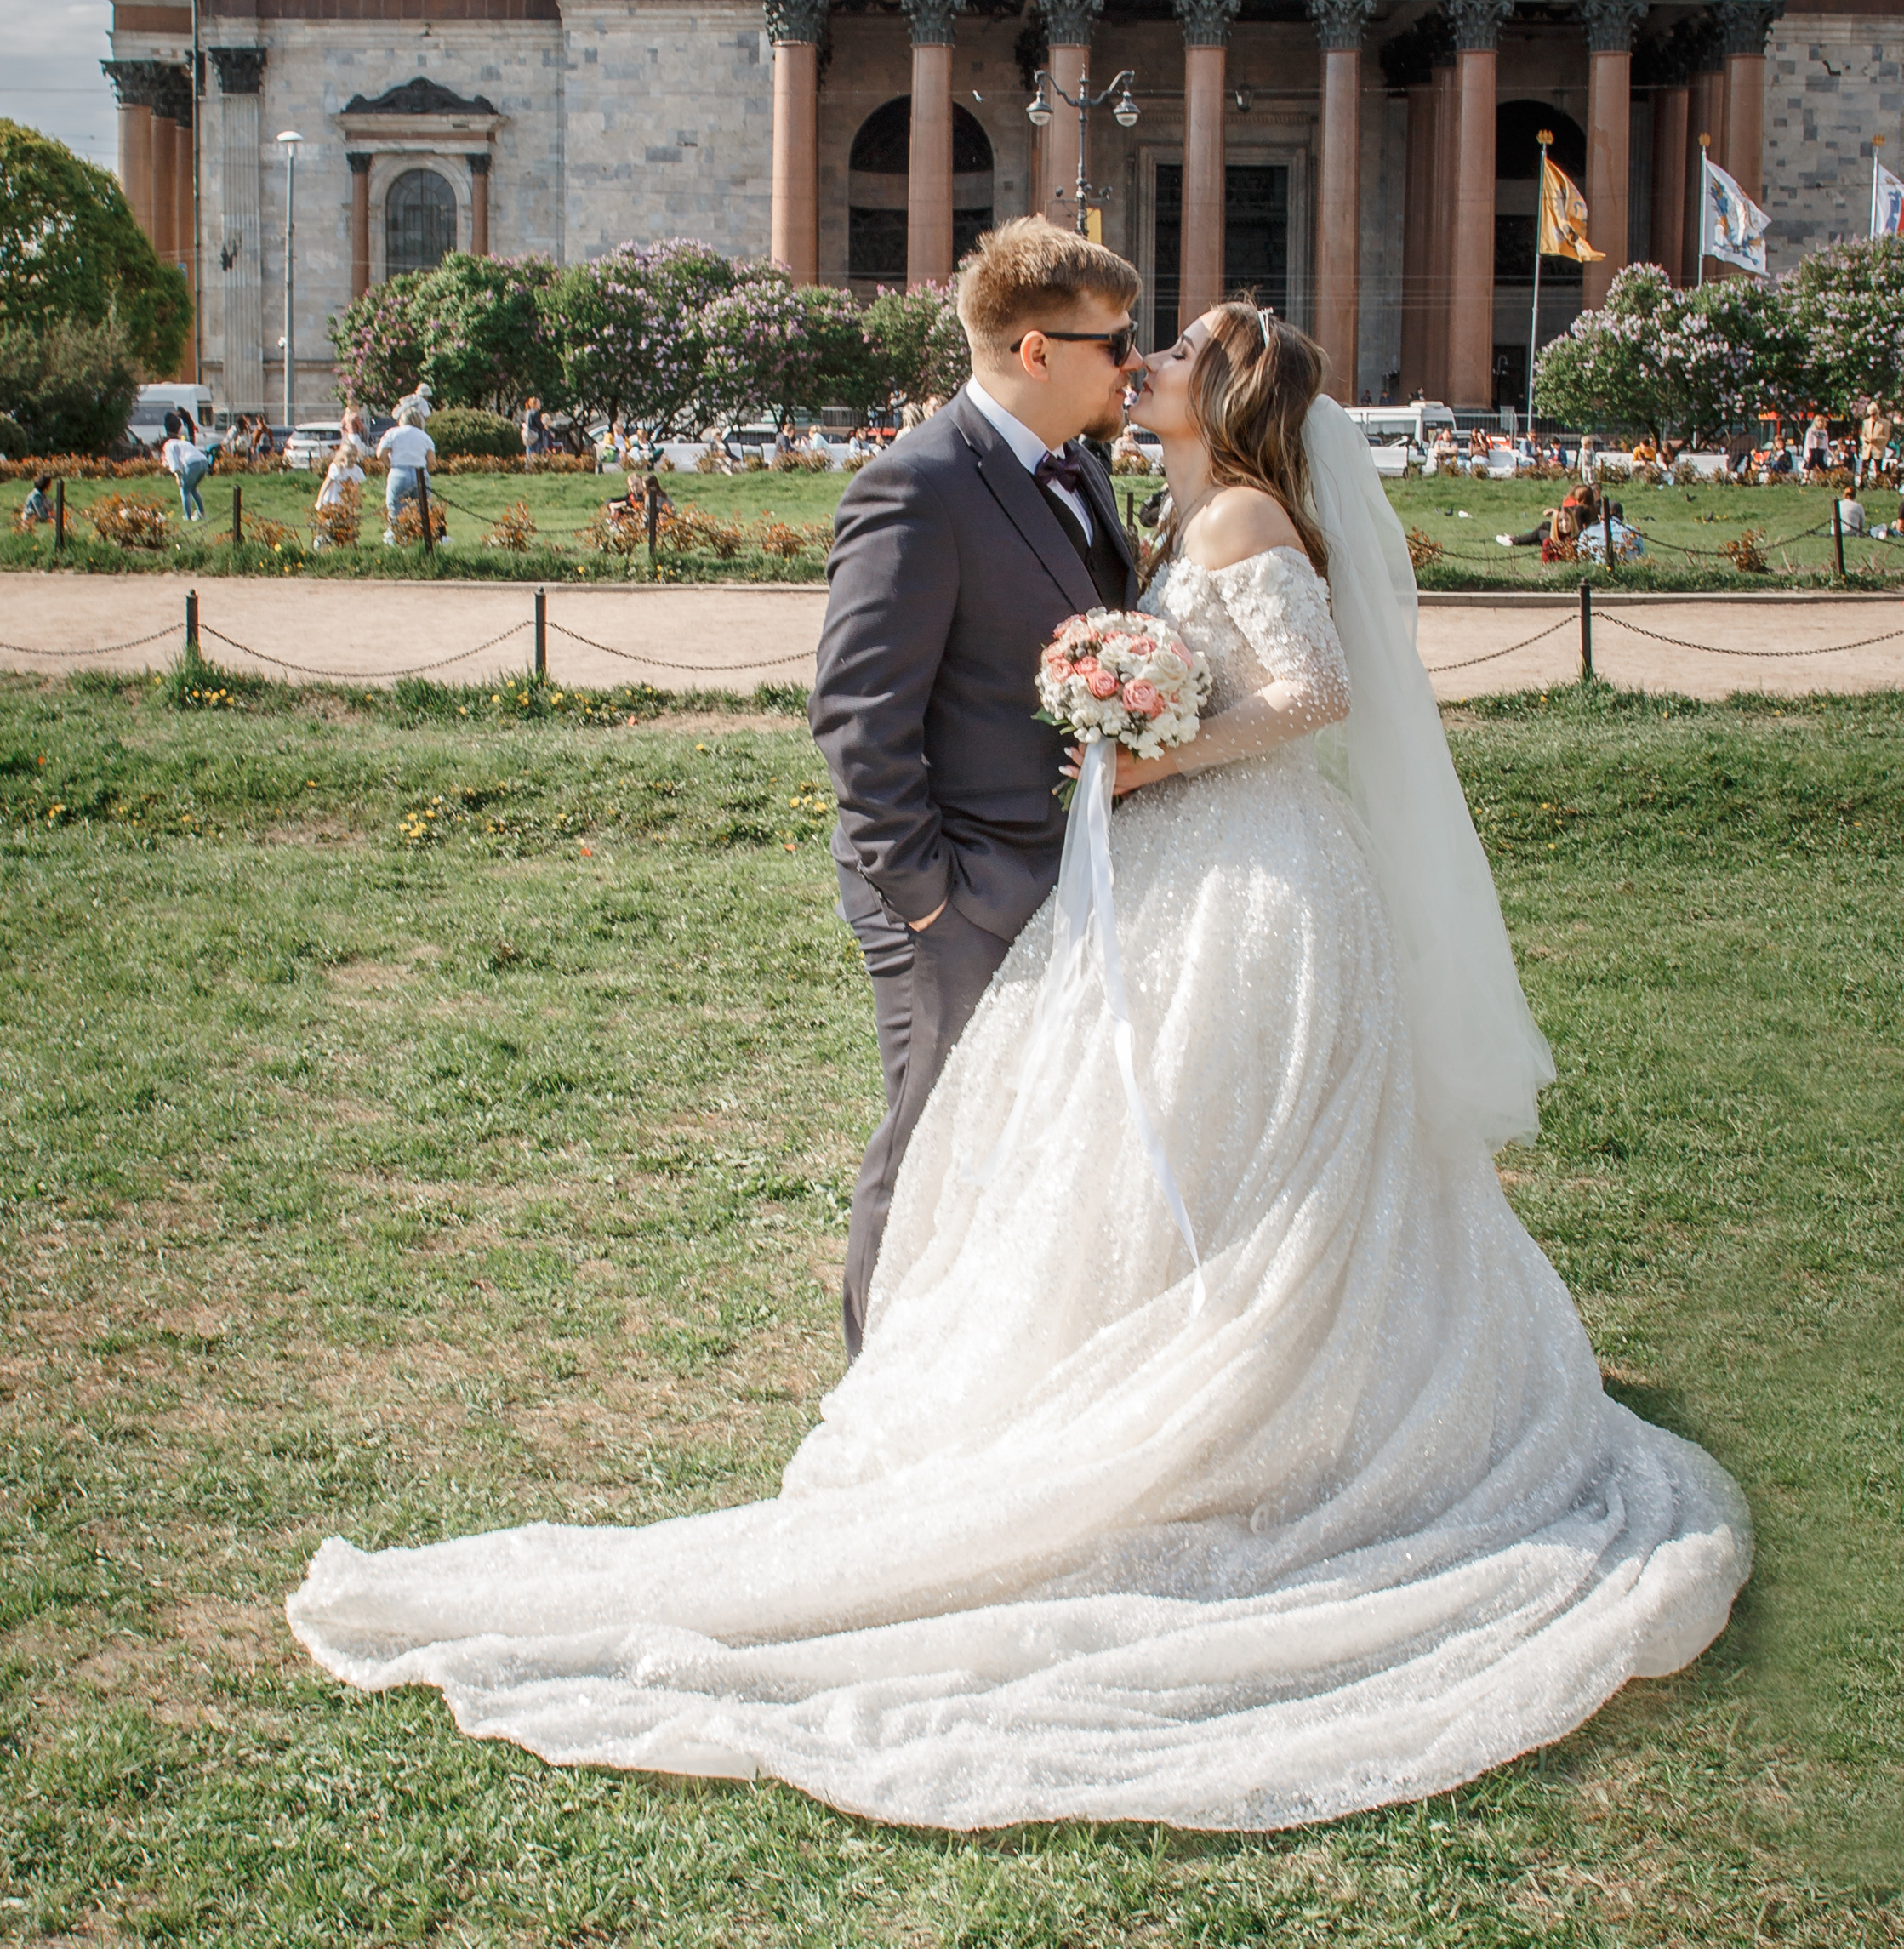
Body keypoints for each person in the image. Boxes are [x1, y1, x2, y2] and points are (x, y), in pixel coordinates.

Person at [288, 293, 1747, 1828]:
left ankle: (1261, 1398)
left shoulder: (1241, 510)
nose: (1147, 362)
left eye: (1175, 351)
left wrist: (1156, 751)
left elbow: (1318, 689)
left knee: (1229, 1137)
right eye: (1138, 343)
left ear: (1225, 391)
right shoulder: (1170, 505)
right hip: (1169, 862)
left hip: (1252, 871)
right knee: (1135, 1127)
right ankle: (1121, 1362)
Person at [375, 400, 436, 541]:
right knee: (422, 511)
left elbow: (381, 454)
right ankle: (421, 540)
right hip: (420, 473)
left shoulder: (393, 433)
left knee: (395, 509)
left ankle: (394, 539)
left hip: (398, 472)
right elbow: (432, 462)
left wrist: (390, 465)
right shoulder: (425, 436)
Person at [313, 436, 366, 549]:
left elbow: (357, 489)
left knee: (346, 527)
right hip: (332, 502)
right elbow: (326, 484)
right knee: (327, 525)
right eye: (348, 456)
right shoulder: (337, 468)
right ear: (342, 456)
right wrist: (319, 501)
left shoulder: (357, 471)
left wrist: (356, 502)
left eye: (354, 456)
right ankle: (320, 542)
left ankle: (345, 547)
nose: (352, 459)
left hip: (346, 505)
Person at [161, 409, 211, 523]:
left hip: (192, 464)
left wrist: (178, 477)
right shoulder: (183, 442)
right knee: (192, 488)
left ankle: (188, 517)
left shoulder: (168, 445)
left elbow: (174, 465)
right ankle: (202, 513)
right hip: (203, 462)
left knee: (184, 491)